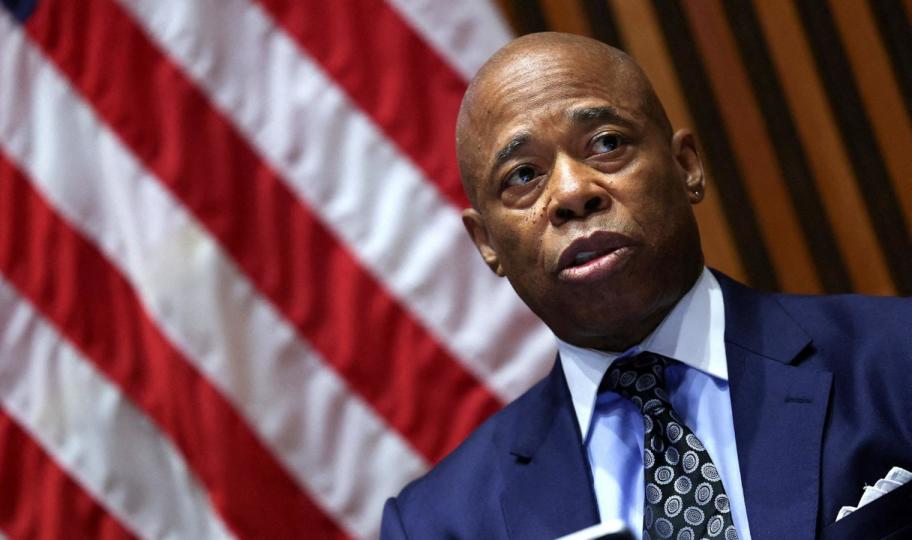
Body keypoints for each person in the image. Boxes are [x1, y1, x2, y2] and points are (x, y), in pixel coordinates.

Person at [380, 32, 912, 540]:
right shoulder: (438, 525)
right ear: (487, 243)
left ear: (687, 166)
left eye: (606, 144)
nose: (571, 192)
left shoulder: (895, 359)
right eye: (523, 176)